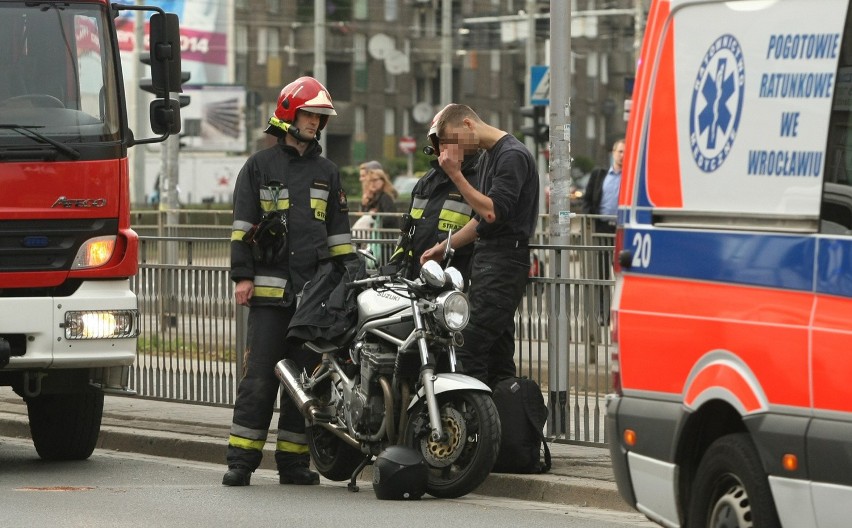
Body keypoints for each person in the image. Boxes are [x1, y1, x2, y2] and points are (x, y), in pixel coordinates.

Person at [223, 76, 354, 487]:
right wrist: (242, 277)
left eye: (320, 117)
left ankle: (294, 464)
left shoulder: (327, 174)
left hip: (314, 297)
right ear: (288, 114)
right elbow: (242, 227)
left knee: (306, 384)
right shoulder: (259, 167)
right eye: (310, 115)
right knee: (260, 379)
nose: (315, 123)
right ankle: (241, 462)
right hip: (268, 295)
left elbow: (338, 235)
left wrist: (350, 278)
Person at [420, 104, 539, 387]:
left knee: (468, 346)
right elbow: (481, 221)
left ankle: (475, 425)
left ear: (468, 125)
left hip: (504, 262)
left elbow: (492, 212)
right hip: (489, 260)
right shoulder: (489, 157)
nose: (450, 151)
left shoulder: (511, 155)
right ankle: (505, 424)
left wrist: (456, 175)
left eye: (450, 140)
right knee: (497, 354)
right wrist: (444, 246)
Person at [385, 105, 481, 284]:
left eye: (448, 139)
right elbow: (408, 232)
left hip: (457, 281)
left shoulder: (482, 176)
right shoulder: (427, 181)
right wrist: (394, 270)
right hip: (417, 278)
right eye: (439, 141)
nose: (444, 146)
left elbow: (484, 227)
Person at [581, 138, 624, 325]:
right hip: (601, 229)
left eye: (625, 152)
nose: (622, 156)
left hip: (622, 231)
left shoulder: (631, 177)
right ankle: (602, 314)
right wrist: (591, 221)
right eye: (619, 151)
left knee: (621, 275)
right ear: (613, 153)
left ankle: (620, 313)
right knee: (601, 275)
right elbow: (587, 201)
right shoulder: (600, 175)